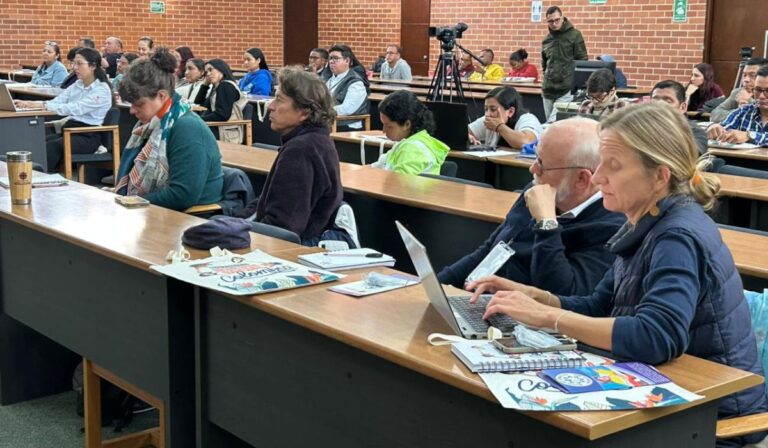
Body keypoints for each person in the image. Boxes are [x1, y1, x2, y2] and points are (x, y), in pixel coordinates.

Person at [468, 102, 767, 448]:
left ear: (659, 175)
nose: (596, 178)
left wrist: (549, 316)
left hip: (712, 420)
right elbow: (599, 304)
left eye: (613, 166)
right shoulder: (645, 219)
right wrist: (537, 297)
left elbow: (657, 336)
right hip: (676, 399)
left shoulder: (677, 236)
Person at [439, 117, 624, 294]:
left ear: (582, 179)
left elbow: (564, 296)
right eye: (535, 158)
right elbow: (490, 249)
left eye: (542, 164)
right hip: (480, 302)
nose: (533, 169)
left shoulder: (611, 228)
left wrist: (546, 224)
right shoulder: (536, 189)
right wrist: (438, 284)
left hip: (525, 321)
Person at [235, 67, 342, 246]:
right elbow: (267, 202)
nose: (270, 106)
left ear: (304, 113)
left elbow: (283, 227)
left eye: (279, 100)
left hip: (288, 251)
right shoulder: (317, 141)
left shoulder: (301, 150)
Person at [114, 47, 223, 211]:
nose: (132, 111)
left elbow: (182, 195)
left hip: (190, 220)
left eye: (138, 104)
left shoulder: (187, 128)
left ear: (162, 96)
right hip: (156, 212)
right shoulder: (152, 125)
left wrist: (126, 200)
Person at [15, 47, 112, 171]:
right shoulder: (77, 84)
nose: (74, 67)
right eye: (73, 63)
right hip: (70, 130)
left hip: (88, 136)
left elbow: (75, 108)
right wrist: (29, 103)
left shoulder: (101, 89)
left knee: (52, 146)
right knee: (36, 142)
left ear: (93, 66)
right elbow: (58, 101)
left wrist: (42, 105)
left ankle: (38, 176)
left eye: (79, 64)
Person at [372, 90, 449, 175]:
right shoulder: (408, 143)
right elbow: (375, 167)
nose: (384, 131)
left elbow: (398, 185)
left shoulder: (412, 149)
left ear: (407, 124)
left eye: (389, 126)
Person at [541, 6, 588, 119]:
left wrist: (577, 85)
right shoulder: (546, 40)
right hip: (548, 88)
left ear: (562, 18)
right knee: (549, 123)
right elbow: (544, 63)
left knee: (554, 122)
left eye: (557, 20)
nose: (554, 23)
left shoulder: (575, 35)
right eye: (551, 21)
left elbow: (582, 61)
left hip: (566, 88)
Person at [707, 65, 768, 147]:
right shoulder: (744, 112)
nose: (761, 96)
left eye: (767, 91)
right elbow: (725, 128)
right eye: (757, 90)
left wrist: (749, 136)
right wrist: (715, 129)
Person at [468, 86, 543, 149]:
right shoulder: (489, 119)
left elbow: (526, 142)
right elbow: (462, 132)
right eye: (486, 109)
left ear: (510, 111)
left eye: (493, 109)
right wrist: (468, 136)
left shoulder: (528, 119)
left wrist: (499, 126)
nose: (487, 114)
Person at [194, 59, 247, 143]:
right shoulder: (217, 88)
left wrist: (198, 119)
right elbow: (199, 104)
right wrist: (205, 84)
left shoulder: (226, 86)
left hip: (224, 132)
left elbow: (222, 115)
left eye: (211, 70)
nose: (208, 74)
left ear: (221, 69)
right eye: (206, 72)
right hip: (217, 128)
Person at [651, 80, 709, 154]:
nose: (660, 105)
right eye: (655, 100)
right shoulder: (640, 126)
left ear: (682, 107)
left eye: (668, 101)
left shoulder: (694, 132)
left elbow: (693, 153)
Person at [326, 44, 369, 131]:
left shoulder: (356, 83)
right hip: (329, 121)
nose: (331, 61)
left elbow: (347, 109)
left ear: (347, 60)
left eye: (336, 58)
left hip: (347, 125)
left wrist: (323, 111)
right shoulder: (330, 79)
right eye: (330, 58)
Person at [711, 58, 768, 122]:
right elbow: (715, 114)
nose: (746, 80)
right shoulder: (738, 92)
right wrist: (739, 111)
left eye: (752, 75)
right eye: (744, 75)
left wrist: (748, 102)